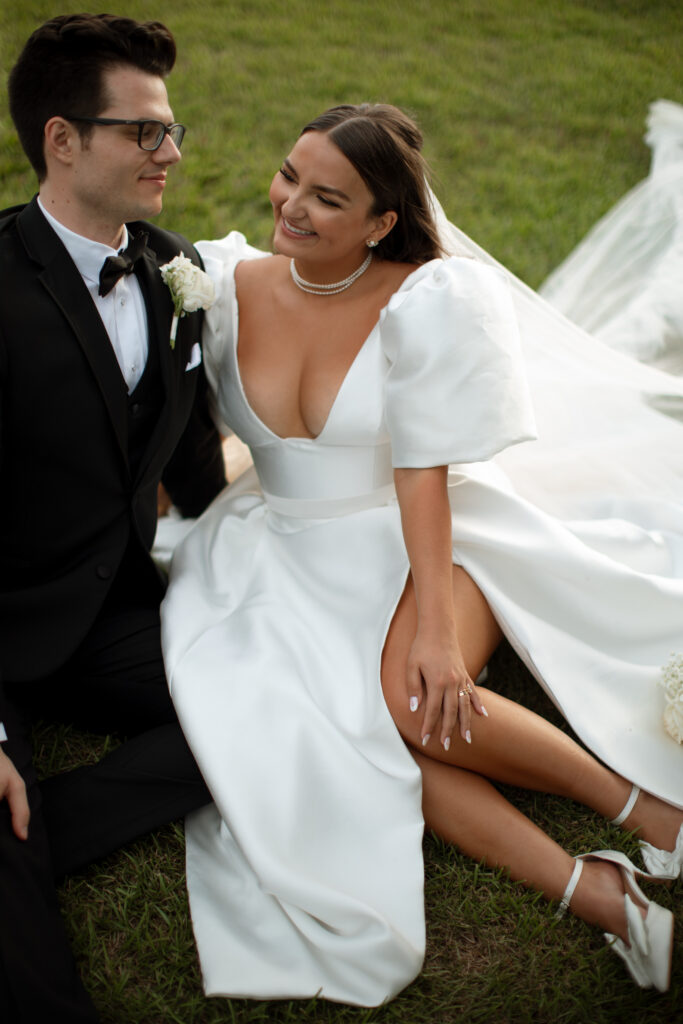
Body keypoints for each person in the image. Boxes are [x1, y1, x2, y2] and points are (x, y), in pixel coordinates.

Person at [161, 103, 683, 1006]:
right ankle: (603, 896)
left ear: (381, 223)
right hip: (275, 550)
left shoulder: (424, 301)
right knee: (358, 738)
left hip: (428, 534)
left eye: (328, 198)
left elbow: (420, 478)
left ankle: (650, 814)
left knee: (409, 699)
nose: (290, 204)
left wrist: (437, 632)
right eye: (291, 175)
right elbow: (173, 432)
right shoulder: (215, 282)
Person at [0, 14, 226, 1022]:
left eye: (168, 130)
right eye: (143, 132)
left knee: (261, 713)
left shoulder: (176, 274)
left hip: (109, 612)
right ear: (62, 140)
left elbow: (190, 457)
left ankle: (33, 831)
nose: (169, 151)